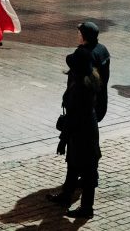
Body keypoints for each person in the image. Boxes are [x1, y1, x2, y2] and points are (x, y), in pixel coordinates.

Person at [47, 47, 101, 219]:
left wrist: (63, 140)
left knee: (86, 170)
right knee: (75, 164)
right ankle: (66, 195)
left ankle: (86, 208)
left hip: (81, 133)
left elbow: (73, 117)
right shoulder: (89, 79)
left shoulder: (80, 88)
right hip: (87, 130)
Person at [76, 21, 109, 121]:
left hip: (87, 103)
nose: (78, 35)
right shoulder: (103, 49)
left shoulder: (84, 53)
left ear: (84, 37)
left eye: (79, 33)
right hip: (101, 99)